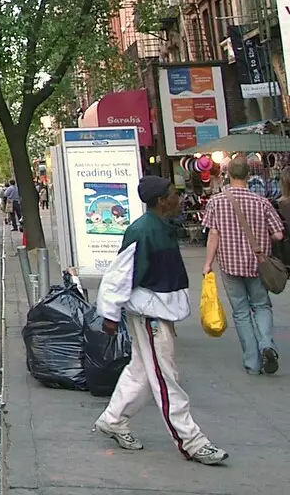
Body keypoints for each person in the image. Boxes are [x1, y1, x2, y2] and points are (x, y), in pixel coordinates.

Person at [93, 175, 228, 465]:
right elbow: (120, 274)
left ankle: (113, 419)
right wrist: (110, 314)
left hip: (154, 312)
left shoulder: (158, 227)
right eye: (172, 194)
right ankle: (191, 441)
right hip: (150, 314)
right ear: (160, 200)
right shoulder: (144, 231)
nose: (178, 198)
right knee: (166, 379)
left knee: (141, 371)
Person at [202, 155, 285, 375]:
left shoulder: (216, 202)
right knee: (261, 306)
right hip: (258, 264)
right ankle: (267, 343)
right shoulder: (262, 202)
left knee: (240, 312)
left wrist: (208, 264)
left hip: (230, 265)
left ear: (228, 175)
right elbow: (278, 234)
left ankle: (252, 363)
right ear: (248, 175)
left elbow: (213, 234)